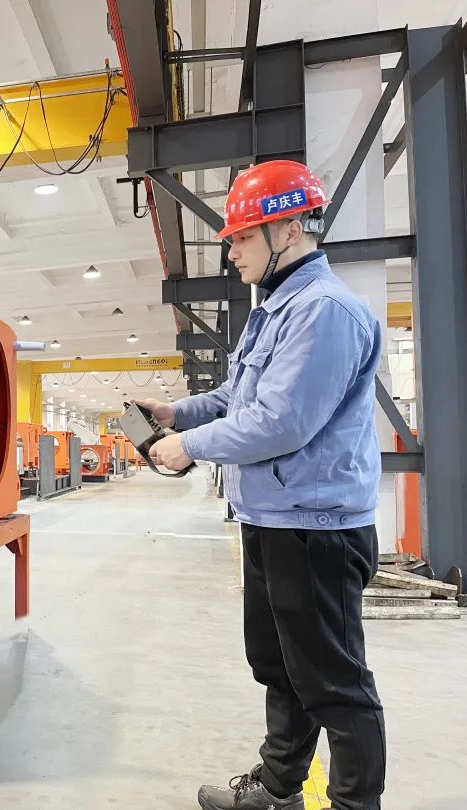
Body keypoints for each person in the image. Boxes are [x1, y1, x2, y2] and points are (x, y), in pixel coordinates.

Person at [138, 160, 385, 810]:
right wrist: (176, 414)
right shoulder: (275, 310)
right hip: (275, 521)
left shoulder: (324, 311)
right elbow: (237, 397)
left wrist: (187, 447)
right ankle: (279, 789)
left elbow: (282, 422)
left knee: (334, 686)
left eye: (243, 235)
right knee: (282, 668)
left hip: (316, 529)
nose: (231, 248)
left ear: (289, 229)